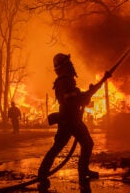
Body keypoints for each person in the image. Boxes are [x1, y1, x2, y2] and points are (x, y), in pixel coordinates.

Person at [37, 53, 111, 191]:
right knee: (76, 145)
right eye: (68, 63)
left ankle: (80, 172)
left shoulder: (65, 80)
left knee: (73, 145)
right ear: (64, 66)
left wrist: (100, 82)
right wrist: (85, 97)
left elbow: (78, 97)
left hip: (71, 119)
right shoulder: (65, 81)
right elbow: (72, 100)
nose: (71, 65)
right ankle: (44, 174)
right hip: (69, 120)